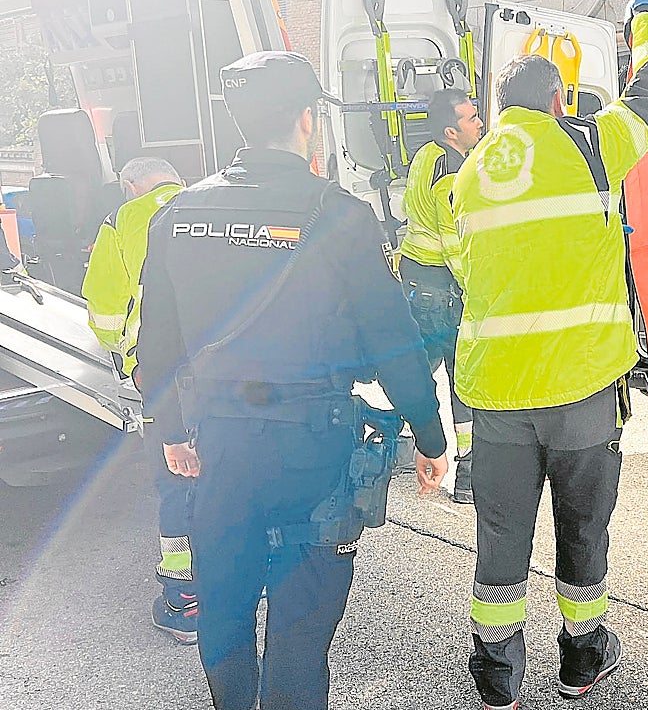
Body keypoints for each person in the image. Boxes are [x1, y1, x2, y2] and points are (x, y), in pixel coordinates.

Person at [138, 51, 449, 710]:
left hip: (222, 449)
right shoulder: (339, 214)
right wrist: (429, 436)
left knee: (223, 614)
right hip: (316, 452)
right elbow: (394, 343)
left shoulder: (179, 215)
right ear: (307, 120)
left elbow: (155, 353)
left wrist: (171, 433)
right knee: (302, 634)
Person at [452, 0, 648, 709]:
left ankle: (497, 675)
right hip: (580, 394)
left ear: (497, 109)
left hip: (497, 397)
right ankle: (581, 659)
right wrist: (646, 20)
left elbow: (469, 266)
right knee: (582, 533)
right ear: (556, 101)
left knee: (501, 540)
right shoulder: (589, 143)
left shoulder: (471, 171)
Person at [81, 157, 194, 641]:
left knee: (176, 477)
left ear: (130, 186)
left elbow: (104, 308)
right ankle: (252, 578)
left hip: (162, 374)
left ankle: (184, 599)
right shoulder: (212, 202)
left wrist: (124, 354)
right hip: (232, 369)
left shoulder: (123, 219)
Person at [397, 88, 484, 503]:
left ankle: (395, 441)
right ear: (452, 131)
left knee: (413, 372)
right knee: (461, 383)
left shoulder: (425, 155)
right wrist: (479, 289)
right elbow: (455, 245)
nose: (480, 122)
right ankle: (467, 475)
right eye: (471, 119)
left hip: (414, 280)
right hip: (443, 290)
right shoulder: (451, 173)